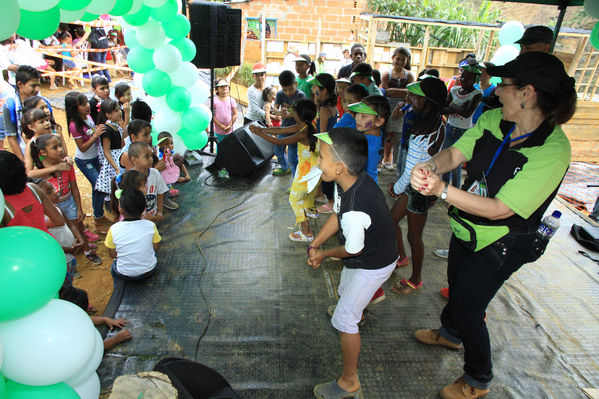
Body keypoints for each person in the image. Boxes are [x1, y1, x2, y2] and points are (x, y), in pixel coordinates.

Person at [411, 52, 576, 398]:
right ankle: (450, 334)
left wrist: (441, 189)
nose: (497, 91)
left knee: (471, 309)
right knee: (457, 286)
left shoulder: (552, 149)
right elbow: (457, 153)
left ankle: (478, 378)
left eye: (505, 85)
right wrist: (431, 165)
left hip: (503, 242)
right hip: (467, 229)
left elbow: (501, 209)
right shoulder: (493, 119)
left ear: (527, 93)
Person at [307, 128, 398, 399]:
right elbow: (336, 216)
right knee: (345, 292)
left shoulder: (357, 205)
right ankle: (358, 307)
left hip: (374, 263)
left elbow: (351, 248)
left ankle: (349, 381)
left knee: (343, 318)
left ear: (338, 167)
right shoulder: (348, 182)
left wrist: (323, 254)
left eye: (321, 157)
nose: (317, 162)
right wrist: (315, 244)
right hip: (366, 257)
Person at [387, 77, 447, 294]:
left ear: (429, 101)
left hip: (419, 190)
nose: (409, 98)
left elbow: (413, 169)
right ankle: (401, 257)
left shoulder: (424, 131)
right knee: (391, 220)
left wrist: (396, 188)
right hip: (416, 187)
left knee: (414, 236)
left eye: (415, 96)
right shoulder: (436, 122)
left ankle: (415, 279)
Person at [250, 99, 318, 241]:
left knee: (294, 199)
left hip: (307, 171)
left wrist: (260, 133)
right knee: (307, 193)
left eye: (295, 110)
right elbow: (279, 130)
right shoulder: (306, 125)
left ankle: (307, 232)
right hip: (313, 167)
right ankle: (310, 210)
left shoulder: (302, 132)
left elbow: (280, 141)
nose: (290, 111)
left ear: (299, 115)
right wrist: (261, 130)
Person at [30, 134, 102, 264]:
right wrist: (56, 168)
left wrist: (79, 208)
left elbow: (74, 187)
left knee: (77, 227)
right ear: (43, 152)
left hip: (69, 203)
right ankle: (66, 259)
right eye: (55, 147)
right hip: (50, 207)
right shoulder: (39, 171)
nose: (60, 149)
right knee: (59, 234)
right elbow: (29, 175)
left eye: (60, 145)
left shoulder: (66, 165)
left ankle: (86, 250)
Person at [66, 91, 109, 231]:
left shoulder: (87, 116)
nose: (87, 106)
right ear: (74, 108)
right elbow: (82, 148)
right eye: (82, 104)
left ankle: (100, 215)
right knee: (99, 186)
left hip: (96, 157)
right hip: (85, 161)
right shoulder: (74, 125)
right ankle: (98, 217)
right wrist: (95, 135)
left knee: (98, 186)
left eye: (86, 102)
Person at [105, 188, 161, 287]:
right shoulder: (150, 225)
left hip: (125, 274)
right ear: (143, 209)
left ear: (121, 210)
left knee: (114, 266)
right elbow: (156, 247)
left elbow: (112, 254)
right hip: (149, 270)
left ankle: (117, 287)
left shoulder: (114, 229)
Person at [442, 63, 483, 189]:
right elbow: (443, 109)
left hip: (463, 131)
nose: (465, 80)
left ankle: (454, 189)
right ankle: (444, 186)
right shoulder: (454, 90)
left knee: (456, 162)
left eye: (469, 78)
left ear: (475, 79)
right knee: (446, 158)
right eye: (463, 76)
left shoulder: (477, 93)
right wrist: (459, 107)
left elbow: (467, 113)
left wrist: (453, 106)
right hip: (450, 127)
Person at [36, 178, 85, 282]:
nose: (55, 192)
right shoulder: (41, 220)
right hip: (60, 259)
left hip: (71, 256)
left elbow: (71, 225)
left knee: (69, 278)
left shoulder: (57, 208)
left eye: (53, 189)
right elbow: (49, 245)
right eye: (49, 192)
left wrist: (80, 239)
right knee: (63, 283)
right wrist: (69, 249)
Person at [0, 151, 62, 230]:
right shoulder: (33, 188)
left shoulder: (3, 207)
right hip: (45, 240)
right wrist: (37, 226)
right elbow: (58, 221)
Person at [59, 285, 132, 350]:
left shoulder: (62, 312)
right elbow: (93, 350)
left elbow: (86, 319)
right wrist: (116, 339)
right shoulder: (71, 334)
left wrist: (105, 319)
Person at [381, 47, 415, 170]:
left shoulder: (409, 75)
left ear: (407, 61)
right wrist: (403, 92)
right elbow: (386, 92)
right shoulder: (386, 74)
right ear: (392, 59)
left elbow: (410, 92)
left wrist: (394, 91)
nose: (400, 61)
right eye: (397, 58)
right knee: (388, 134)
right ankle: (385, 160)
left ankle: (395, 162)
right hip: (388, 108)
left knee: (399, 135)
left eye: (403, 59)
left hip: (403, 109)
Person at [309, 73, 338, 215]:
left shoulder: (324, 108)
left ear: (324, 90)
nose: (313, 89)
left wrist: (320, 152)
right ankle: (320, 193)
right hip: (332, 145)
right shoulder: (331, 105)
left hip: (326, 146)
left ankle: (331, 203)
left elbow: (322, 132)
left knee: (326, 174)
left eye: (316, 88)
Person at [3, 65, 44, 160]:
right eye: (33, 86)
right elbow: (11, 137)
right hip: (27, 155)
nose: (37, 89)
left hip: (47, 154)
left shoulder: (43, 103)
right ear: (20, 84)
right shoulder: (9, 106)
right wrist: (23, 163)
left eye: (39, 85)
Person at [272, 70, 307, 177]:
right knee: (277, 151)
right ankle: (285, 168)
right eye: (285, 90)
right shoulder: (280, 94)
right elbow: (275, 107)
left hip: (296, 131)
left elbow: (303, 113)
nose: (288, 93)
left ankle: (295, 181)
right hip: (283, 129)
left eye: (291, 89)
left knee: (292, 157)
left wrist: (289, 114)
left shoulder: (301, 96)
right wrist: (279, 112)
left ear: (295, 84)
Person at [349, 96, 389, 184]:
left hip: (363, 186)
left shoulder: (365, 144)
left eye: (363, 116)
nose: (357, 118)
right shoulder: (377, 132)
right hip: (371, 182)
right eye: (357, 113)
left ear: (379, 121)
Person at [128, 142, 169, 222]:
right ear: (134, 159)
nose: (151, 159)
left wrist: (159, 211)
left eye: (151, 155)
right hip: (137, 220)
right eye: (146, 157)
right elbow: (129, 203)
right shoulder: (130, 178)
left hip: (153, 216)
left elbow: (160, 192)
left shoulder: (155, 173)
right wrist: (144, 215)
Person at [95, 99, 124, 207]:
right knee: (114, 188)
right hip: (113, 161)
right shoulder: (107, 129)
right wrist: (116, 167)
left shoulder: (116, 126)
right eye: (116, 111)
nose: (120, 112)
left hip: (119, 157)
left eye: (119, 109)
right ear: (108, 115)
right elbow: (106, 151)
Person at [156, 131, 181, 197]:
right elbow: (163, 162)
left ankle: (170, 189)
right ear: (160, 145)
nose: (170, 146)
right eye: (167, 144)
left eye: (171, 143)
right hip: (162, 174)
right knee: (164, 182)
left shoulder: (171, 152)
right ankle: (166, 194)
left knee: (169, 180)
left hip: (168, 172)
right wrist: (166, 156)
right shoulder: (160, 154)